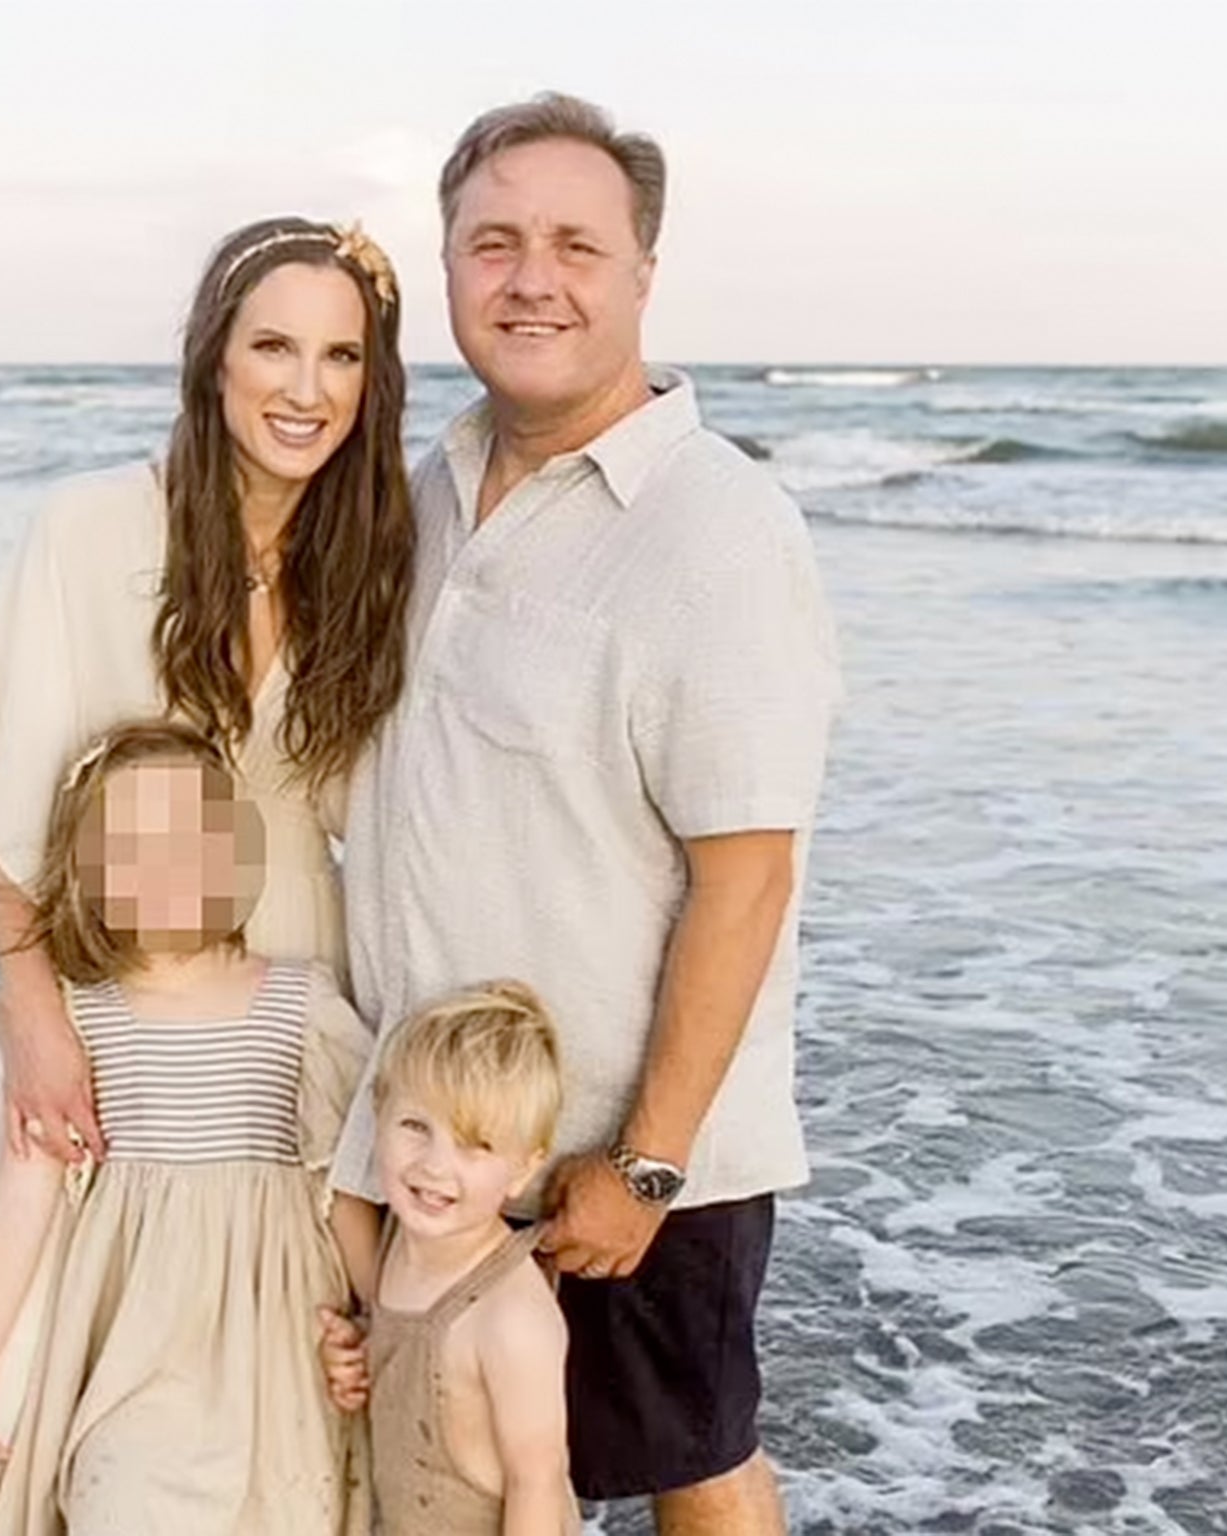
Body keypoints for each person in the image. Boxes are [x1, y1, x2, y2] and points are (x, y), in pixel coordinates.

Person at [325, 95, 842, 1536]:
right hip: (435, 1142)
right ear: (447, 268)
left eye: (574, 245)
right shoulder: (422, 495)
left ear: (640, 275)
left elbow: (748, 877)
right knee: (463, 1475)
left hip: (611, 1160)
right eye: (493, 243)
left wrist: (647, 1166)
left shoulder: (719, 529)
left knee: (686, 1461)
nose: (530, 280)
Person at [0, 215, 411, 1527]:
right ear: (212, 359)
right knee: (36, 1375)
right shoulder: (85, 534)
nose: (307, 389)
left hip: (292, 996)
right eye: (275, 347)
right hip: (105, 994)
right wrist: (32, 1012)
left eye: (343, 357)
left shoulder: (367, 559)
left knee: (298, 1398)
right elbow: (13, 799)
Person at [0, 719, 375, 1535]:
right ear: (91, 876)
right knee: (119, 1499)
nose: (164, 869)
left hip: (282, 1339)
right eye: (131, 848)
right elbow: (22, 1203)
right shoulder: (79, 1026)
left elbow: (342, 1192)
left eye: (189, 839)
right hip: (131, 1344)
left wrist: (382, 1324)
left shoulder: (303, 1006)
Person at [319, 983, 574, 1536]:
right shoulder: (398, 1250)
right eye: (415, 1127)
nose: (435, 1165)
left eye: (475, 1145)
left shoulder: (512, 1318)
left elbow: (538, 1484)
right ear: (378, 1114)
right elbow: (415, 1358)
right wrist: (359, 1351)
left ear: (524, 1170)